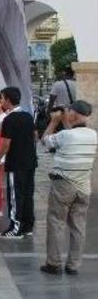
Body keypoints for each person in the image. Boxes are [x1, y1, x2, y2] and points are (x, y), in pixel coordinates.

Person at [40, 100, 97, 275]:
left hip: (63, 184)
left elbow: (45, 141)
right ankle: (73, 265)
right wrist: (66, 121)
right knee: (78, 226)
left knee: (56, 222)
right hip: (83, 186)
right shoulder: (94, 135)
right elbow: (73, 135)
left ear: (73, 114)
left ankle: (53, 263)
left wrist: (54, 121)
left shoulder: (66, 135)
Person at [0, 87, 37, 239]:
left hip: (16, 163)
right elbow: (35, 136)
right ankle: (27, 226)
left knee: (15, 195)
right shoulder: (27, 116)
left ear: (7, 100)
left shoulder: (9, 119)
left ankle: (15, 228)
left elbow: (6, 144)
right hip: (30, 162)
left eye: (1, 99)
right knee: (27, 194)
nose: (1, 102)